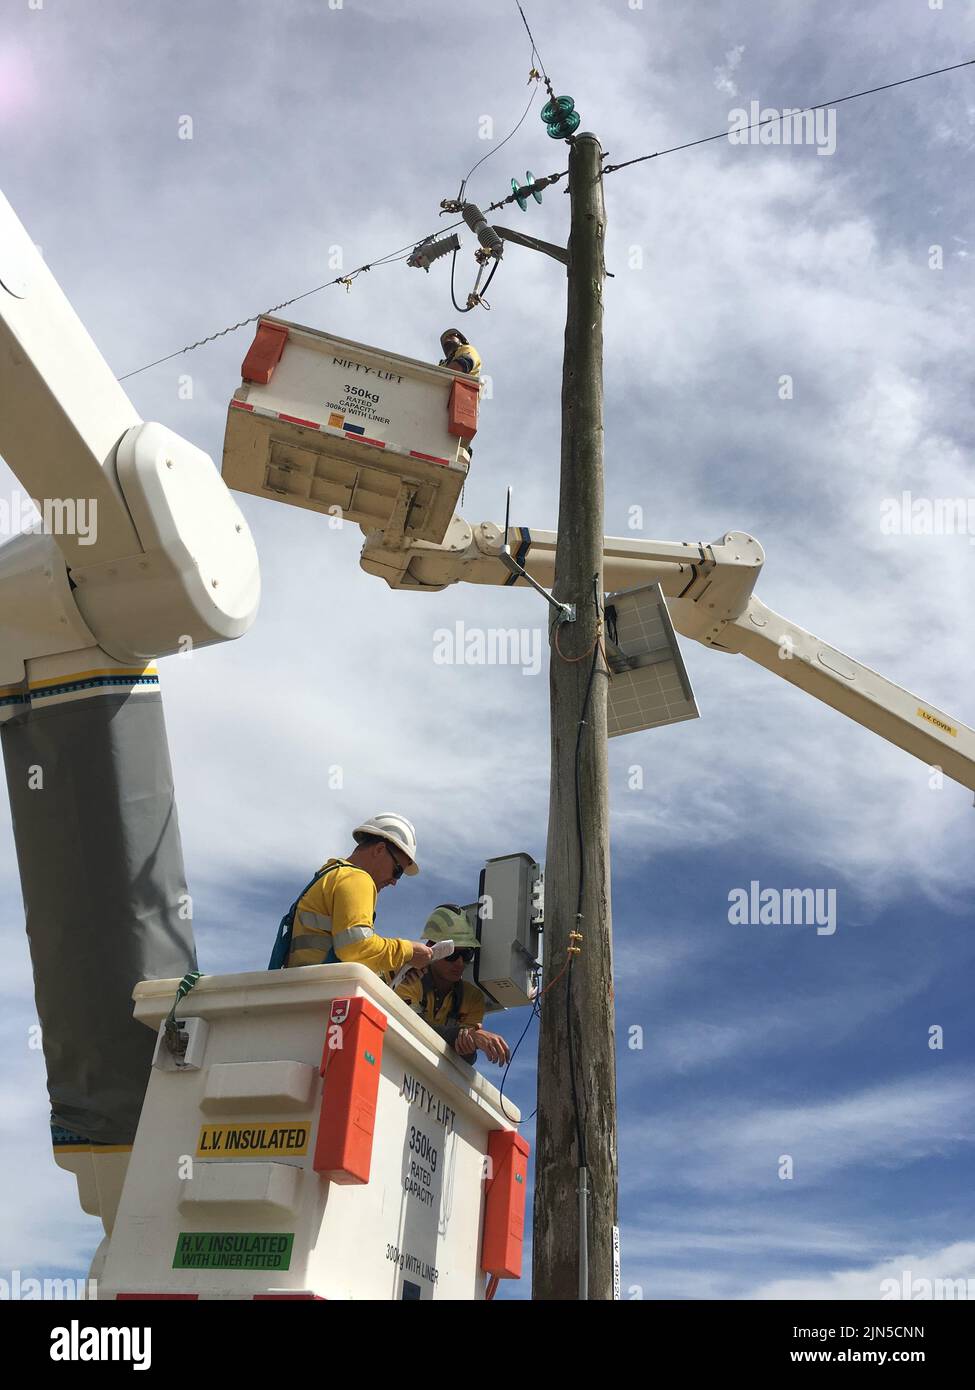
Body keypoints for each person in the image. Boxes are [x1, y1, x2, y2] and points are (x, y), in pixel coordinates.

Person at [270, 813, 434, 976]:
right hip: (321, 992)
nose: (394, 881)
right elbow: (356, 946)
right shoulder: (357, 878)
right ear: (379, 850)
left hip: (304, 987)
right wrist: (408, 951)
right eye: (397, 871)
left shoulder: (331, 874)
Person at [395, 906, 510, 1066]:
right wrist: (470, 1037)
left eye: (466, 954)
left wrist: (469, 1045)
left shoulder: (472, 998)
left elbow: (466, 1057)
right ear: (432, 948)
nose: (460, 963)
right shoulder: (408, 977)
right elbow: (413, 1027)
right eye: (452, 954)